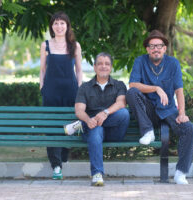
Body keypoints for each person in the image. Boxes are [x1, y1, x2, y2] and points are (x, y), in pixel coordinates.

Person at [126, 30, 193, 184]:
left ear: (165, 48)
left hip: (168, 110)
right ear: (147, 49)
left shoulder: (173, 63)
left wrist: (182, 113)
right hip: (148, 112)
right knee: (131, 92)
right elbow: (133, 84)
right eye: (152, 46)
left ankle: (181, 172)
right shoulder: (140, 61)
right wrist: (156, 88)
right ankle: (148, 131)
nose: (155, 49)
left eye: (159, 45)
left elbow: (179, 90)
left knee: (189, 129)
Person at [74, 52, 130, 186]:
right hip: (93, 128)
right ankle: (97, 174)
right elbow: (79, 110)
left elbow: (122, 103)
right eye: (99, 63)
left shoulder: (119, 85)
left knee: (124, 114)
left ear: (111, 67)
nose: (103, 66)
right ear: (94, 67)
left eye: (107, 64)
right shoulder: (85, 87)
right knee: (96, 128)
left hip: (114, 131)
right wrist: (88, 120)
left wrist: (105, 113)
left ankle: (79, 125)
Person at [40, 11, 82, 180]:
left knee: (70, 126)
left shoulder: (75, 46)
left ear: (67, 25)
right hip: (50, 92)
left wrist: (80, 91)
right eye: (55, 23)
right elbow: (42, 70)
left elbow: (79, 70)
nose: (59, 26)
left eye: (62, 23)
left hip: (71, 91)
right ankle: (56, 165)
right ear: (52, 26)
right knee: (51, 128)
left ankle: (64, 157)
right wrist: (42, 87)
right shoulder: (46, 45)